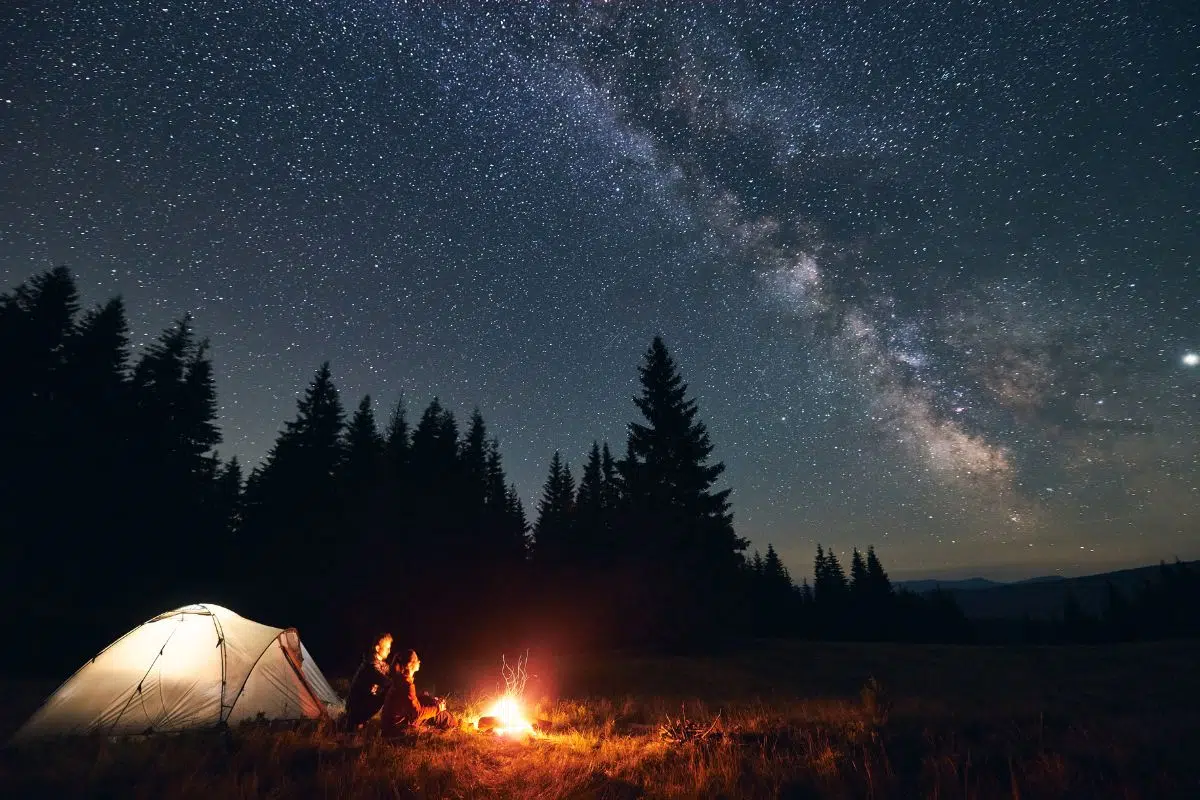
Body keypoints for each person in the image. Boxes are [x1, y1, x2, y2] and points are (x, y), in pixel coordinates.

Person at [381, 648, 459, 736]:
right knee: (438, 713)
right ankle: (457, 726)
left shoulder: (400, 679)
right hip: (397, 729)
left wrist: (427, 699)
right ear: (410, 665)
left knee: (429, 701)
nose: (419, 662)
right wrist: (438, 708)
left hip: (392, 725)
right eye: (417, 659)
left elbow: (408, 703)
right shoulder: (406, 684)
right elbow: (417, 713)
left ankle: (456, 723)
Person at [342, 632, 395, 732]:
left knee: (390, 690)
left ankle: (359, 724)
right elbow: (388, 682)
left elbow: (391, 672)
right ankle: (355, 723)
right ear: (378, 648)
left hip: (363, 703)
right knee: (390, 691)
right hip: (356, 707)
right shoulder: (370, 667)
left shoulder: (380, 664)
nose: (389, 651)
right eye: (387, 648)